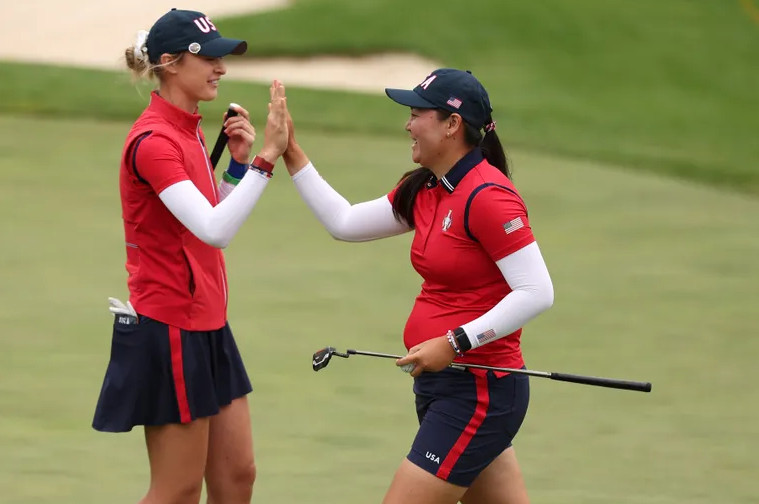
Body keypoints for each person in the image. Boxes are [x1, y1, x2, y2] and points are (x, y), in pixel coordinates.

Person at [282, 68, 554, 504]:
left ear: (451, 125)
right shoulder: (427, 188)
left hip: (478, 390)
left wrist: (454, 341)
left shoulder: (488, 195)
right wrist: (291, 152)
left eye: (416, 114)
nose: (407, 125)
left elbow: (537, 291)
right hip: (442, 386)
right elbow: (345, 222)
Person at [91, 8, 288, 504]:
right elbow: (214, 230)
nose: (221, 68)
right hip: (170, 326)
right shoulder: (154, 142)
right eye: (210, 58)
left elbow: (206, 220)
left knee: (237, 477)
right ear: (170, 63)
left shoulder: (188, 130)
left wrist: (239, 168)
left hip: (208, 324)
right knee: (177, 490)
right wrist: (266, 159)